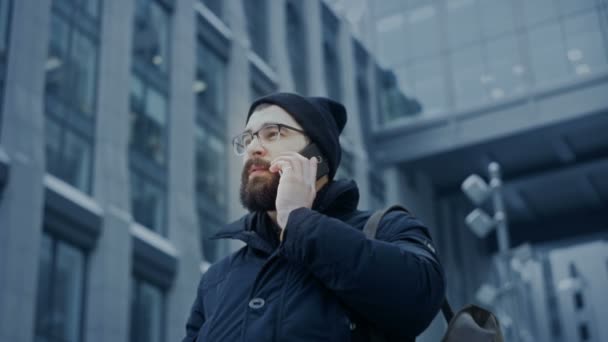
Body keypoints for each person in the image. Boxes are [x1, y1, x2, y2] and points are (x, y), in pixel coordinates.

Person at [182, 92, 445, 341]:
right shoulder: (218, 277)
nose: (253, 148)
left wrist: (298, 219)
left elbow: (419, 300)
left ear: (316, 157)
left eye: (272, 134)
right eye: (248, 139)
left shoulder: (387, 229)